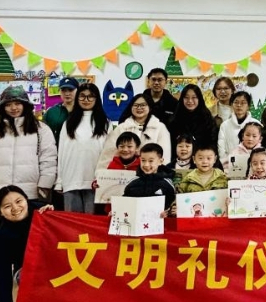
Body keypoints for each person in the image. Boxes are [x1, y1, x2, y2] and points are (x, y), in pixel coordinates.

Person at [0, 86, 57, 291]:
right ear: (2, 107)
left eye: (18, 103)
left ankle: (21, 269)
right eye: (9, 104)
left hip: (27, 192)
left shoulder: (41, 129)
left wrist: (45, 184)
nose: (14, 108)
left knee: (24, 235)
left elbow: (49, 158)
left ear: (26, 105)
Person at [0, 186, 54, 302]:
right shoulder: (2, 235)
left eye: (19, 201)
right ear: (0, 211)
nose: (15, 208)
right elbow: (2, 277)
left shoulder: (42, 212)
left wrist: (54, 214)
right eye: (7, 206)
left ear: (27, 199)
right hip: (26, 270)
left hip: (56, 264)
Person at [55, 83, 111, 213]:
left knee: (91, 222)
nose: (86, 100)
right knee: (72, 222)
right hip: (71, 179)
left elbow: (108, 154)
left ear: (97, 99)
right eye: (82, 96)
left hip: (95, 181)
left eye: (91, 96)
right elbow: (61, 152)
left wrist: (104, 178)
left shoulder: (105, 123)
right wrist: (59, 181)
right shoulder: (68, 123)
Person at [96, 94, 171, 170]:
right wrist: (101, 172)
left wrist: (162, 173)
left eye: (143, 105)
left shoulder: (159, 128)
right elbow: (108, 153)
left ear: (150, 107)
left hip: (151, 173)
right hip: (122, 173)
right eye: (135, 105)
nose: (139, 108)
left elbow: (165, 155)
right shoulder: (122, 128)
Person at [123, 143, 176, 215]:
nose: (146, 164)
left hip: (159, 221)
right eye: (143, 160)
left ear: (160, 161)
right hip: (136, 220)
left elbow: (172, 205)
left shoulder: (167, 184)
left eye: (151, 161)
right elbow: (125, 203)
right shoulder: (133, 182)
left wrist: (168, 213)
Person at [169, 84, 218, 149]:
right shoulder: (175, 119)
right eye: (186, 97)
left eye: (194, 97)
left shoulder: (207, 119)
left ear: (199, 99)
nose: (190, 101)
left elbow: (212, 142)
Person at [217, 91, 260, 165]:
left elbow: (260, 146)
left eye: (243, 103)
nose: (239, 105)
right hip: (230, 165)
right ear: (231, 105)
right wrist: (226, 163)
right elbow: (221, 148)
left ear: (248, 106)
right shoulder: (225, 125)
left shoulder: (256, 124)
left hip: (253, 165)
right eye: (236, 102)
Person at [43, 76, 78, 145]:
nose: (67, 93)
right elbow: (44, 133)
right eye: (63, 90)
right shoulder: (52, 112)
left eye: (70, 90)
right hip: (56, 149)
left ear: (77, 91)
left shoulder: (83, 111)